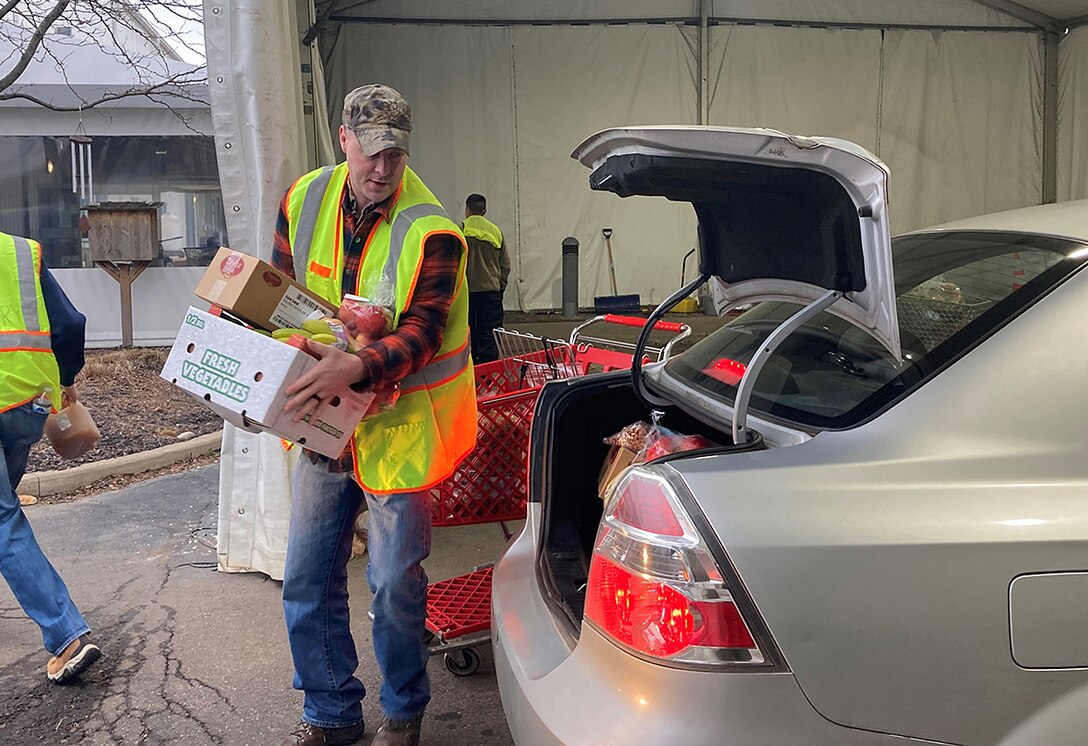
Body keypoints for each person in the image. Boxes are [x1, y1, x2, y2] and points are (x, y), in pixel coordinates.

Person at [271, 84, 477, 746]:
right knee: (305, 579)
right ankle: (330, 714)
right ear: (344, 140)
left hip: (399, 432)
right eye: (372, 152)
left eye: (396, 154)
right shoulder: (304, 202)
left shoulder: (433, 230)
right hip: (323, 426)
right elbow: (276, 299)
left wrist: (354, 366)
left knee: (392, 585)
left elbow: (423, 331)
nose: (383, 169)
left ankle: (404, 712)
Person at [0, 231, 102, 684]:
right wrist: (65, 377)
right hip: (26, 402)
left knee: (3, 522)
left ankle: (66, 637)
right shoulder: (20, 251)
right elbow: (69, 324)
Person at [461, 193, 510, 363]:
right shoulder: (496, 231)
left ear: (467, 210)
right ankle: (488, 374)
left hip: (465, 294)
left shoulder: (459, 230)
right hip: (491, 292)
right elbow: (505, 265)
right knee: (490, 335)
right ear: (484, 210)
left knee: (466, 333)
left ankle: (470, 369)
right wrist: (500, 287)